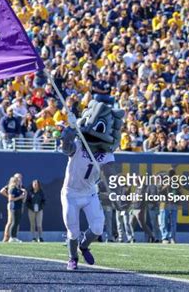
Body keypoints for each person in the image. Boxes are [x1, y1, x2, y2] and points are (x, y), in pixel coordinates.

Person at [60, 100, 123, 270]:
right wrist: (70, 130)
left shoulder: (107, 155)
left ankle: (84, 246)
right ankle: (72, 258)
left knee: (97, 227)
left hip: (89, 193)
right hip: (70, 193)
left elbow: (110, 174)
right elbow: (65, 148)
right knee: (72, 231)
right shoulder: (79, 145)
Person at [7, 176, 26, 242]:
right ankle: (11, 237)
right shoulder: (12, 189)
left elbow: (22, 198)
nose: (19, 182)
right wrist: (20, 197)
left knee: (17, 222)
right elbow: (10, 199)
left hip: (19, 206)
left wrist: (23, 194)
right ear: (14, 181)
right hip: (14, 207)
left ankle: (14, 237)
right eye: (18, 181)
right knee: (14, 222)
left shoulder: (18, 189)